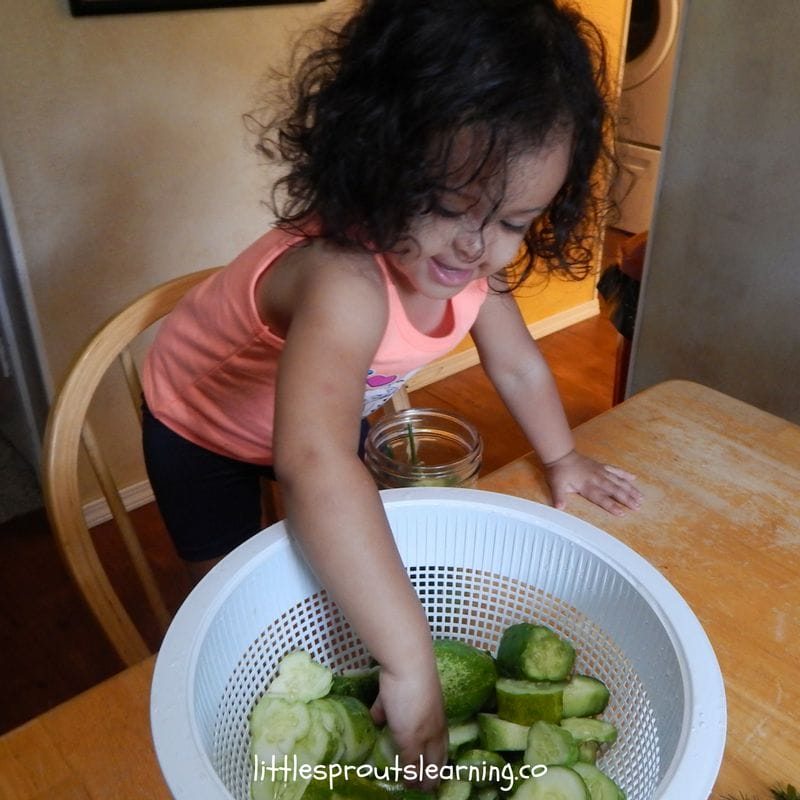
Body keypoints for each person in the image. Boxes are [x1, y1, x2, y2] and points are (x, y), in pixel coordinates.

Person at [141, 0, 642, 787]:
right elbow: (313, 461)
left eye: (515, 220)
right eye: (449, 206)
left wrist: (565, 454)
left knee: (345, 564)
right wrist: (409, 663)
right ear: (377, 160)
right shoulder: (344, 279)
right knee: (223, 591)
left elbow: (514, 365)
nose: (479, 247)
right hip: (200, 429)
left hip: (311, 423)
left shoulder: (476, 262)